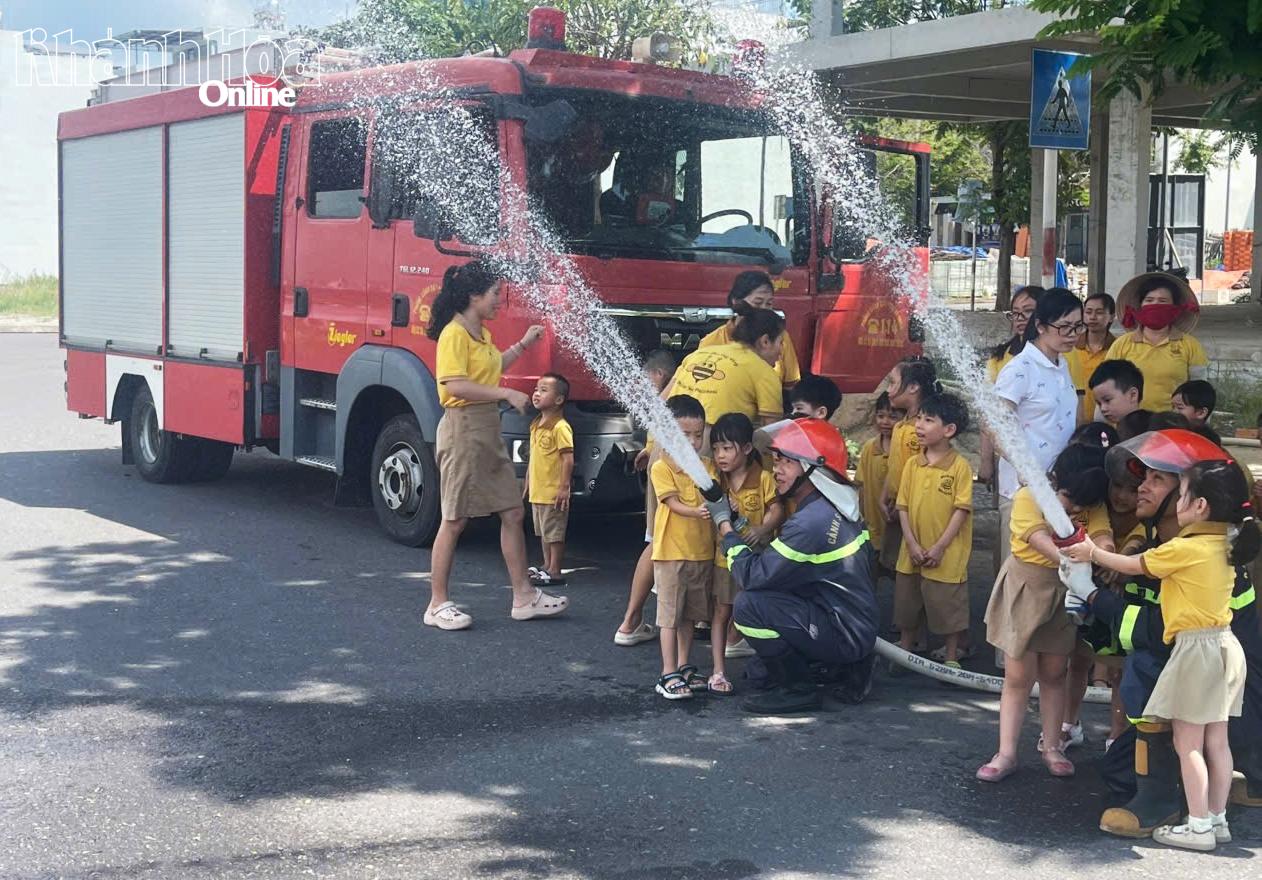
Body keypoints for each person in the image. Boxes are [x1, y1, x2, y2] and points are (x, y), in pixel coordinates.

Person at [1062, 430, 1262, 838]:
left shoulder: (1181, 553)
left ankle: (1164, 804)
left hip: (1226, 698)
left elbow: (1154, 635)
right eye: (1143, 477)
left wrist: (1094, 595)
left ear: (1197, 502)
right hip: (1214, 681)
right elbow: (1128, 631)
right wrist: (1090, 610)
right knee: (1118, 767)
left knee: (1152, 697)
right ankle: (1217, 807)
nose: (1141, 486)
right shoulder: (1193, 548)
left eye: (1158, 479)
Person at [424, 260, 569, 630]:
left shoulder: (481, 333)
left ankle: (524, 597)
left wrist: (523, 344)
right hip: (463, 430)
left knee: (513, 512)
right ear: (474, 296)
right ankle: (436, 604)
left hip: (487, 429)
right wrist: (506, 393)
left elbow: (490, 367)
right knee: (454, 519)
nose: (498, 302)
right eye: (494, 294)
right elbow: (454, 385)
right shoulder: (454, 334)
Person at [709, 419, 879, 714]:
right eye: (776, 461)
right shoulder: (835, 505)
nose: (776, 470)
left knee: (748, 605)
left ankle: (798, 690)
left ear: (814, 468)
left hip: (844, 633)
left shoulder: (810, 522)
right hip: (851, 623)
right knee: (760, 674)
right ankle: (842, 666)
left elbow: (752, 576)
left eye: (787, 462)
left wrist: (724, 524)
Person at [976, 444, 1114, 782]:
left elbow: (1102, 534)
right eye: (1069, 499)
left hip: (1062, 593)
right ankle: (1006, 753)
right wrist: (1079, 558)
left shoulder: (1091, 504)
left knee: (1054, 673)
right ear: (1056, 481)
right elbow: (1037, 537)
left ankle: (1052, 747)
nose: (1075, 509)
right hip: (1026, 587)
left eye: (1084, 505)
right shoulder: (1029, 496)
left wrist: (1105, 550)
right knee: (1018, 676)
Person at [989, 288, 1083, 571]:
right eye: (1064, 327)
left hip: (1058, 488)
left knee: (1052, 571)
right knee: (1020, 569)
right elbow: (994, 425)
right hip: (1023, 491)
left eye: (1078, 326)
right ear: (1040, 326)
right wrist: (1024, 468)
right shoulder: (1020, 368)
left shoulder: (1062, 364)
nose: (1072, 334)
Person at [894, 393, 974, 667]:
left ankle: (951, 658)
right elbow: (902, 506)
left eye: (928, 420)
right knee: (907, 605)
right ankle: (905, 651)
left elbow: (961, 510)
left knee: (948, 607)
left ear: (949, 430)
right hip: (911, 552)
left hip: (947, 556)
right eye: (919, 418)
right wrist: (911, 543)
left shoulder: (960, 467)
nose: (919, 425)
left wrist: (939, 547)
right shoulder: (912, 464)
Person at [708, 413, 785, 692]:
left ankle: (765, 665)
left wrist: (763, 529)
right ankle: (718, 671)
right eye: (716, 448)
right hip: (724, 560)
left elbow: (777, 509)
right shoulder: (716, 480)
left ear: (747, 448)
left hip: (757, 561)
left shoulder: (763, 478)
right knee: (722, 611)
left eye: (727, 448)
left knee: (756, 610)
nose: (720, 455)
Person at [650, 395, 719, 700]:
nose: (692, 441)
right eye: (684, 434)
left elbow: (718, 496)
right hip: (671, 554)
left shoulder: (707, 467)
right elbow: (671, 502)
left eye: (698, 434)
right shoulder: (662, 467)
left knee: (690, 615)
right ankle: (667, 673)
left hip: (701, 554)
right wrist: (696, 511)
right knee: (669, 617)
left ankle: (684, 665)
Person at [616, 351, 678, 648]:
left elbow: (660, 417)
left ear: (658, 375)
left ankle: (632, 621)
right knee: (664, 540)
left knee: (657, 539)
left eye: (644, 379)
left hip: (661, 464)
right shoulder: (684, 382)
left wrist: (651, 448)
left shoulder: (677, 383)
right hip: (675, 470)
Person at [1107, 272, 1207, 412]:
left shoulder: (1190, 346)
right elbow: (1107, 384)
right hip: (1130, 420)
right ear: (1140, 305)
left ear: (1175, 307)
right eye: (1149, 300)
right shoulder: (1122, 344)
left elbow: (1200, 390)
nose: (1155, 305)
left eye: (1162, 301)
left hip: (1173, 420)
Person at [671, 304, 785, 427]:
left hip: (665, 433)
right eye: (781, 342)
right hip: (712, 437)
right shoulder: (765, 372)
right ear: (765, 341)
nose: (781, 350)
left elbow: (661, 401)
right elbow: (772, 432)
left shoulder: (697, 355)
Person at [979, 286, 1044, 495]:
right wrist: (986, 460)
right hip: (1011, 463)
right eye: (1015, 313)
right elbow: (990, 415)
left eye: (1028, 311)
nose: (1020, 319)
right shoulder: (1000, 358)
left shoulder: (1062, 357)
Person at [878, 357, 939, 573]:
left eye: (893, 383)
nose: (888, 390)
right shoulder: (900, 426)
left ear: (913, 387)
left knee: (915, 567)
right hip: (897, 507)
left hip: (915, 511)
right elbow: (896, 466)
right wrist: (885, 495)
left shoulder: (925, 431)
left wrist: (902, 505)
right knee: (895, 565)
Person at [700, 271, 802, 389]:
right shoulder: (711, 342)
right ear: (736, 302)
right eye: (757, 303)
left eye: (769, 303)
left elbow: (791, 385)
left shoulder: (780, 337)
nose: (764, 309)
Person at [523, 373, 574, 588]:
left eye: (544, 390)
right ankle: (546, 565)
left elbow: (568, 459)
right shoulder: (536, 424)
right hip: (538, 491)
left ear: (559, 399)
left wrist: (564, 487)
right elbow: (534, 458)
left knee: (554, 533)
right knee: (543, 532)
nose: (536, 394)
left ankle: (555, 570)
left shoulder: (560, 427)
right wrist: (528, 481)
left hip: (553, 493)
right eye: (536, 389)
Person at [856, 392, 903, 566]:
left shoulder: (905, 450)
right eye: (880, 416)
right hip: (872, 526)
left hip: (898, 528)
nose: (885, 422)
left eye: (892, 417)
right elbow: (861, 485)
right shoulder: (870, 447)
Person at [1068, 292, 1118, 423]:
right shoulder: (1071, 346)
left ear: (1112, 317)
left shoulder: (1117, 348)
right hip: (1073, 419)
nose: (1093, 317)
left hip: (1107, 421)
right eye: (1088, 312)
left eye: (1099, 312)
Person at [1089, 359, 1145, 426]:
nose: (1102, 409)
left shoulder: (1152, 431)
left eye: (1107, 400)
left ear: (1133, 395)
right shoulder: (1109, 432)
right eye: (1099, 403)